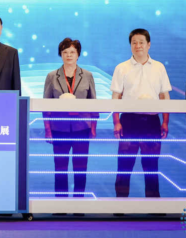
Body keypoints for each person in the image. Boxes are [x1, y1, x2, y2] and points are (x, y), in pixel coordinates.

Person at [111, 28, 171, 198]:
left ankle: (153, 205)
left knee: (151, 166)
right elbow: (116, 96)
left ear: (148, 44)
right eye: (134, 43)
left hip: (152, 122)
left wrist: (165, 122)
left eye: (141, 42)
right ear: (130, 45)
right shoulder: (121, 68)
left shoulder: (159, 67)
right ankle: (120, 204)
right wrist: (116, 122)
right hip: (128, 121)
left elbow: (164, 96)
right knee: (124, 165)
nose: (138, 46)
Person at [43, 38, 98, 198]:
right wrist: (47, 130)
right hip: (59, 128)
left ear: (78, 55)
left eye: (72, 52)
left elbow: (93, 103)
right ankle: (61, 202)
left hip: (82, 128)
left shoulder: (87, 75)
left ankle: (78, 201)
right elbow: (45, 105)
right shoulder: (52, 76)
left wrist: (93, 128)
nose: (69, 55)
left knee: (81, 167)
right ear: (61, 54)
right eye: (65, 52)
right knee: (60, 167)